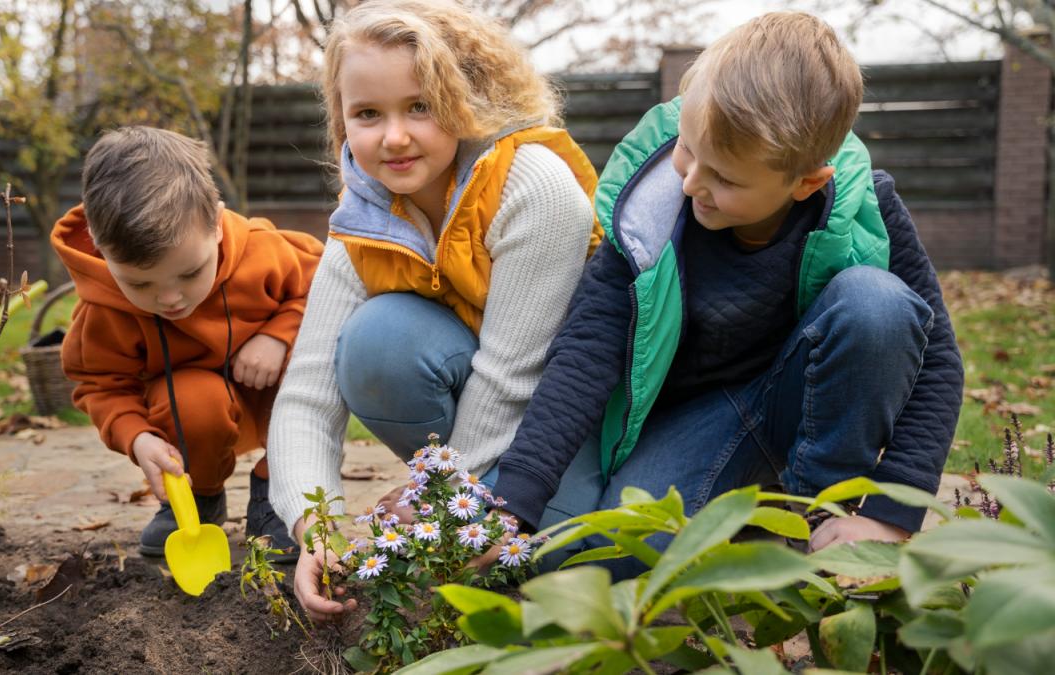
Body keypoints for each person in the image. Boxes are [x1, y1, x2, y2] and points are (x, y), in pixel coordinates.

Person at [490, 11, 965, 579]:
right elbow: (588, 349)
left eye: (726, 179)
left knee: (877, 304)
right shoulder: (651, 211)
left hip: (805, 406)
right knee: (606, 559)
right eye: (688, 150)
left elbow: (937, 362)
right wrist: (515, 501)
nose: (692, 183)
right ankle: (742, 505)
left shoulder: (867, 211)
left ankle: (819, 517)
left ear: (806, 183)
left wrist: (892, 514)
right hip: (694, 422)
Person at [266, 0, 602, 620]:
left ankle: (483, 514)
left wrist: (435, 507)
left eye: (419, 106)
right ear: (342, 121)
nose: (393, 137)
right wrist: (316, 527)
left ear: (463, 98)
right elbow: (307, 394)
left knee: (575, 558)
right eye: (368, 114)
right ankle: (469, 513)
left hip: (566, 428)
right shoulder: (361, 221)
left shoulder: (533, 186)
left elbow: (511, 381)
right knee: (379, 342)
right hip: (479, 430)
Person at [52, 126, 323, 557]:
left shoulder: (266, 253)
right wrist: (137, 437)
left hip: (275, 397)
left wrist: (279, 333)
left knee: (320, 358)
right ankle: (199, 496)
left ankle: (279, 490)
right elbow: (101, 385)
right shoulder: (103, 310)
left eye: (190, 273)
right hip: (191, 419)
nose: (170, 299)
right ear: (102, 250)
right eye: (140, 284)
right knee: (193, 398)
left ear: (216, 224)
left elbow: (328, 289)